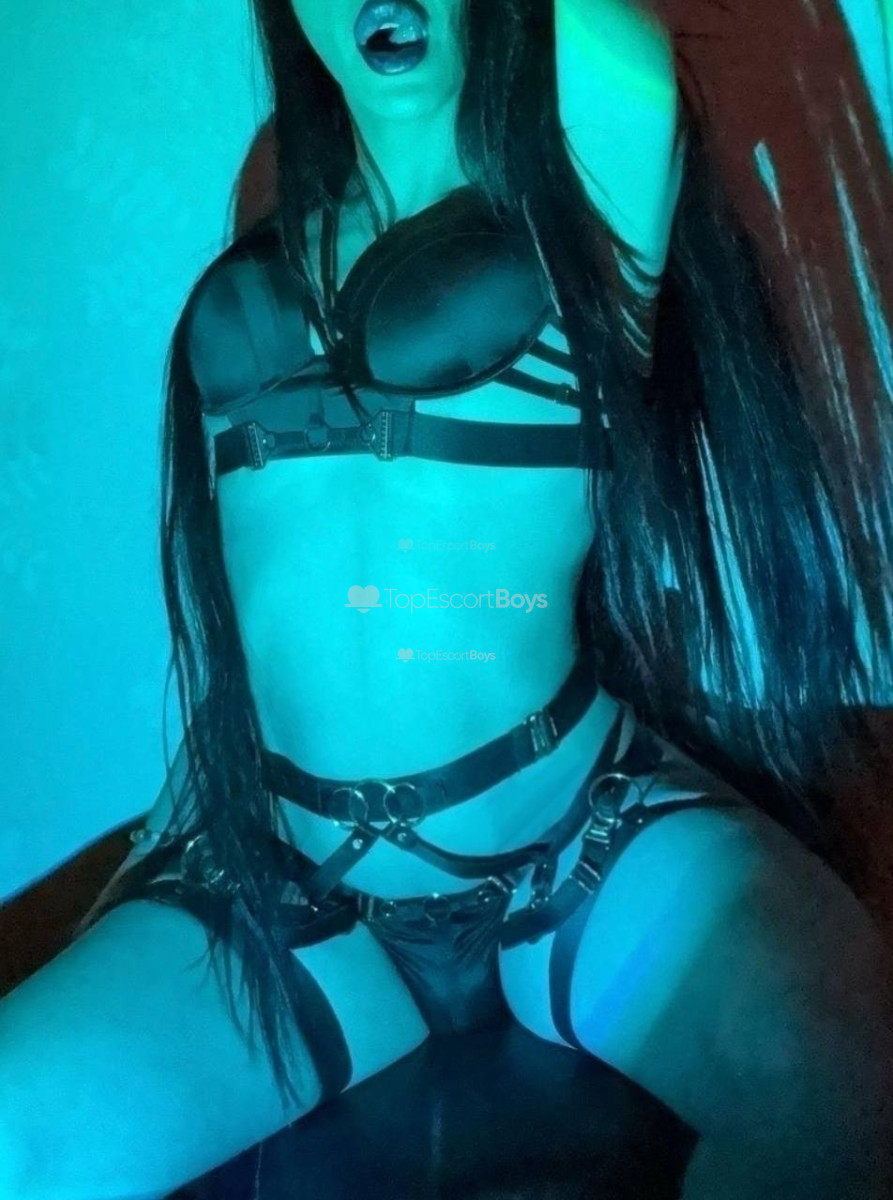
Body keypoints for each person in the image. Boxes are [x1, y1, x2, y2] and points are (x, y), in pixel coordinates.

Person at [1, 1, 891, 1197]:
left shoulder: (594, 172)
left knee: (828, 1074)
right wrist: (190, 797)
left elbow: (613, 69)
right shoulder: (273, 187)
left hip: (568, 851)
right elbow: (272, 563)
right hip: (286, 886)